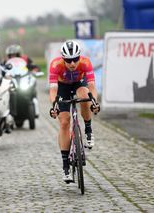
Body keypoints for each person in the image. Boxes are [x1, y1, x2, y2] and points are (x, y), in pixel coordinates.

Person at [48, 40, 100, 183]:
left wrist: (95, 102)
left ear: (79, 57)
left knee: (84, 95)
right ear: (63, 59)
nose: (72, 63)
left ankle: (88, 130)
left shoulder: (85, 63)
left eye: (75, 59)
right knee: (64, 122)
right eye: (69, 60)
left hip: (79, 84)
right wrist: (54, 106)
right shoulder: (55, 65)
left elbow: (92, 87)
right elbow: (53, 90)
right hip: (62, 87)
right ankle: (66, 165)